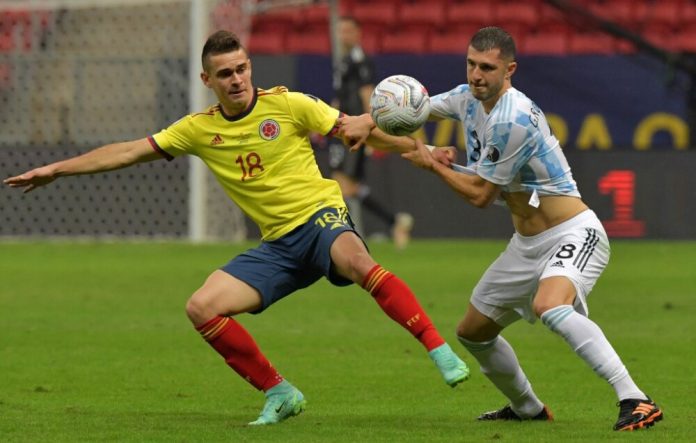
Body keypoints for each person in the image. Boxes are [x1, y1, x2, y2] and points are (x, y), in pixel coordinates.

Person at [3, 30, 470, 426]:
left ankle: (437, 349)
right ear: (208, 81)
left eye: (242, 68)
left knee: (357, 261)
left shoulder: (289, 105)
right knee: (202, 307)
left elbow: (359, 131)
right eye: (225, 74)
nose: (237, 79)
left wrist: (425, 154)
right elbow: (126, 151)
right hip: (277, 247)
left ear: (250, 68)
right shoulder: (197, 130)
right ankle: (280, 392)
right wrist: (57, 169)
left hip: (320, 220)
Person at [339, 26, 662, 432]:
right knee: (473, 332)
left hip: (574, 233)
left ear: (509, 70)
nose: (476, 74)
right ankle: (527, 407)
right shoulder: (466, 97)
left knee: (551, 306)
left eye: (487, 68)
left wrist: (432, 161)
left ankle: (636, 399)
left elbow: (479, 195)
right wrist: (366, 119)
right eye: (472, 64)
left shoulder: (514, 119)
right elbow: (414, 112)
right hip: (527, 242)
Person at [328, 15, 413, 249]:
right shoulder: (343, 60)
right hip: (341, 128)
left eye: (347, 31)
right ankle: (394, 222)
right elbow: (341, 96)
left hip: (355, 128)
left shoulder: (360, 60)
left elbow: (368, 93)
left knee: (343, 187)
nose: (343, 35)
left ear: (357, 35)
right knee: (345, 186)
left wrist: (371, 128)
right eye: (340, 31)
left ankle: (348, 235)